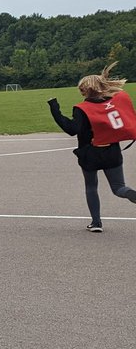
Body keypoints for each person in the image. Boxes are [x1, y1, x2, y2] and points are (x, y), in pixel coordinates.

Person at [49, 62, 136, 231]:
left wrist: (55, 111)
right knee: (118, 187)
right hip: (112, 151)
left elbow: (71, 130)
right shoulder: (116, 103)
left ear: (85, 90)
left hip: (90, 153)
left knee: (91, 186)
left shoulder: (83, 108)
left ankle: (96, 223)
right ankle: (130, 193)